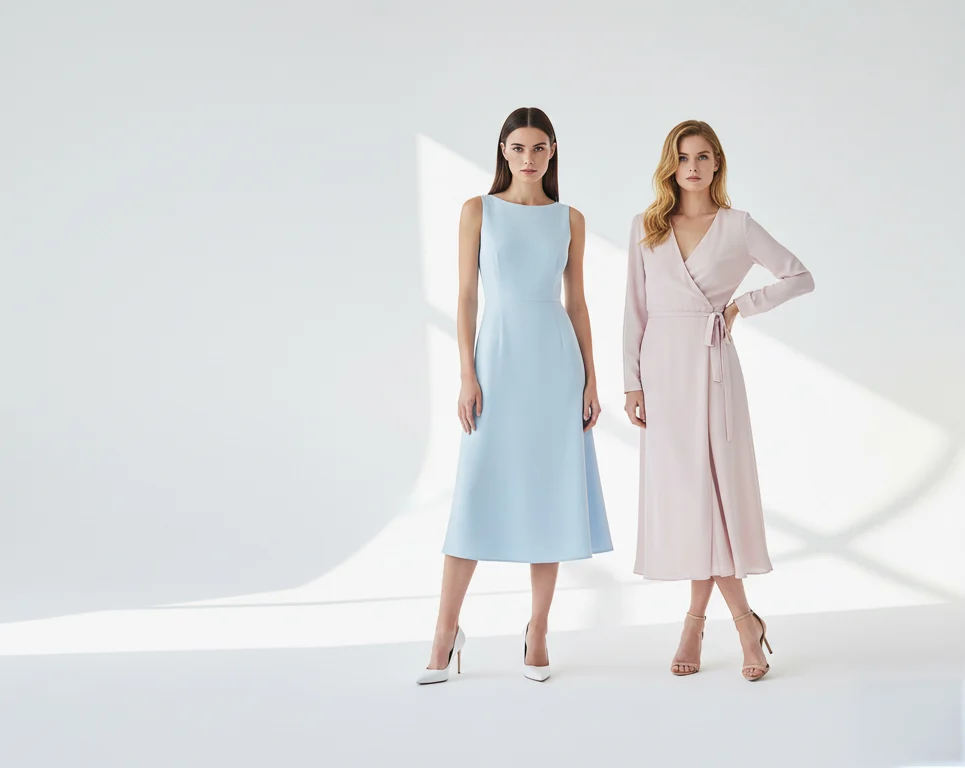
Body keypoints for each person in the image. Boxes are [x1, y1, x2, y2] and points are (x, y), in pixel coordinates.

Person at [417, 107, 612, 685]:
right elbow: (465, 297)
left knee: (550, 495)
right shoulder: (478, 211)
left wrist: (591, 379)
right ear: (503, 150)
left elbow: (577, 303)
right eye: (519, 147)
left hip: (555, 365)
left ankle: (539, 631)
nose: (529, 158)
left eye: (539, 148)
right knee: (475, 492)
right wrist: (467, 374)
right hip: (497, 362)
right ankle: (445, 633)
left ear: (553, 152)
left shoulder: (569, 219)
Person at [622, 120, 814, 681]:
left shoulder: (737, 226)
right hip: (661, 373)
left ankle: (707, 625)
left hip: (711, 373)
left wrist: (740, 307)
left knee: (715, 501)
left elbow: (799, 277)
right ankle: (736, 623)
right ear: (671, 164)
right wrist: (631, 383)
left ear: (717, 164)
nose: (693, 167)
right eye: (684, 157)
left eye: (703, 156)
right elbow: (634, 309)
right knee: (689, 502)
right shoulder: (647, 226)